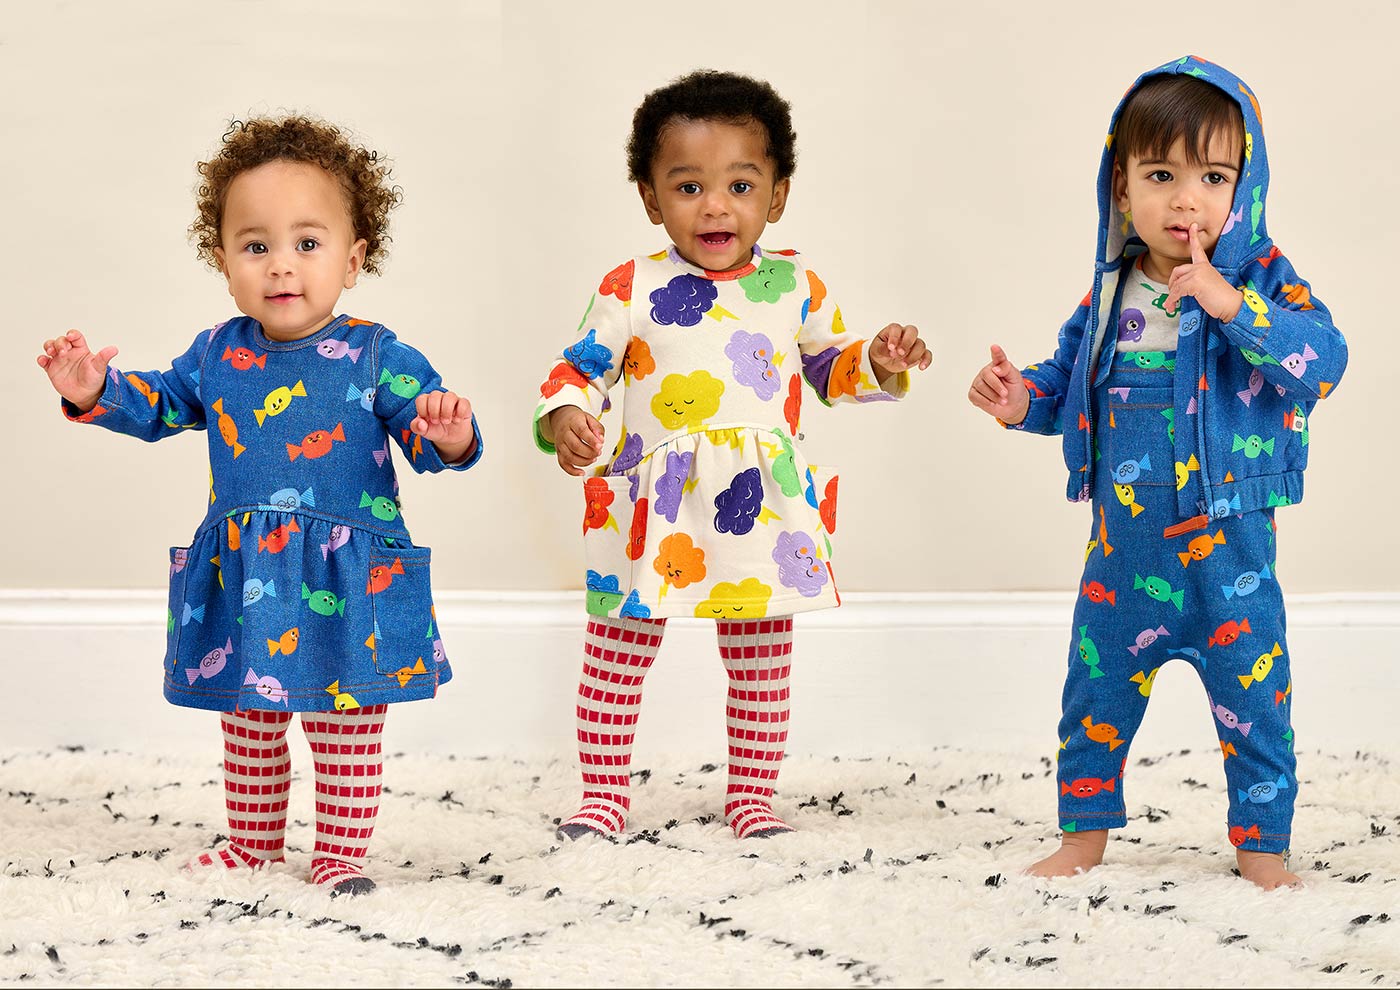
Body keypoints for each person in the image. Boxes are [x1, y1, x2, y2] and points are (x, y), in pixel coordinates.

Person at [36, 116, 481, 895]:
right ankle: (252, 844)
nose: (281, 265)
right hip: (250, 582)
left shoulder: (379, 354)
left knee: (345, 729)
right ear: (223, 261)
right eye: (255, 246)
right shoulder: (217, 352)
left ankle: (339, 853)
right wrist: (93, 389)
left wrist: (450, 433)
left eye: (307, 243)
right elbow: (158, 404)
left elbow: (431, 439)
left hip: (347, 583)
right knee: (249, 722)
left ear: (353, 259)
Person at [967, 58, 1346, 889]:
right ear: (1121, 186)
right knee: (1093, 697)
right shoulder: (1110, 294)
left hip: (1229, 558)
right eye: (1161, 175)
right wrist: (1017, 398)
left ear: (1245, 188)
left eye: (1213, 177)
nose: (1187, 201)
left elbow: (1322, 363)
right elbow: (1064, 387)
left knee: (1257, 706)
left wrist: (1229, 302)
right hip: (1122, 558)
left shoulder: (1261, 278)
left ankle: (1262, 847)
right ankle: (1083, 837)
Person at [533, 69, 931, 841]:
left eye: (740, 185)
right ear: (651, 199)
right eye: (688, 187)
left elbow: (831, 370)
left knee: (761, 663)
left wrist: (880, 361)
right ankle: (602, 797)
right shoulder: (631, 285)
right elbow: (578, 368)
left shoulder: (795, 283)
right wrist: (569, 414)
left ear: (776, 197)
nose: (715, 206)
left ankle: (752, 798)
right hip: (651, 510)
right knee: (616, 653)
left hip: (759, 508)